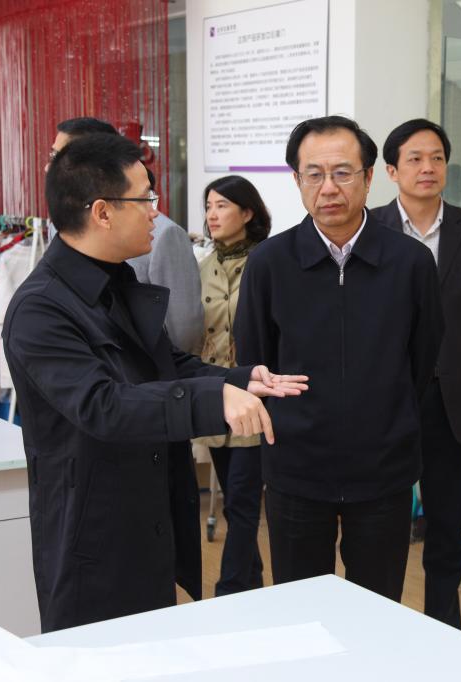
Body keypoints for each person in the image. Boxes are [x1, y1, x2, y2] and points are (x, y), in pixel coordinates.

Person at [2, 133, 307, 632]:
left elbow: (167, 364)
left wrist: (240, 378)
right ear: (103, 212)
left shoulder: (115, 282)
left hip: (146, 515)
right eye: (144, 199)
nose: (155, 212)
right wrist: (215, 399)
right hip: (91, 535)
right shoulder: (42, 309)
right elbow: (104, 405)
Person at [235, 115, 444, 602]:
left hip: (384, 470)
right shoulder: (268, 263)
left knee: (377, 608)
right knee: (299, 607)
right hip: (296, 467)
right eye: (314, 174)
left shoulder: (411, 263)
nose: (328, 187)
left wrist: (386, 414)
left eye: (343, 173)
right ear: (297, 181)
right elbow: (256, 362)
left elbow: (422, 359)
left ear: (369, 178)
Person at [373, 118, 461, 629]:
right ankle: (382, 629)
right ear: (391, 171)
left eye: (438, 158)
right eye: (415, 159)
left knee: (447, 530)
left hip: (451, 399)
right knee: (381, 528)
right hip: (385, 401)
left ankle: (445, 628)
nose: (428, 168)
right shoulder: (369, 227)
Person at [48, 117, 204, 353]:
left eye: (60, 157)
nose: (50, 167)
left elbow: (184, 333)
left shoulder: (163, 235)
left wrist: (164, 369)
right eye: (53, 156)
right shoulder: (59, 228)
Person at [197, 175, 272, 596]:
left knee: (242, 501)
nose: (212, 214)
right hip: (215, 396)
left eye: (222, 205)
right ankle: (254, 586)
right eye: (209, 206)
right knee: (233, 496)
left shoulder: (269, 261)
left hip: (255, 397)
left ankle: (228, 593)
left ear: (247, 212)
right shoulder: (202, 267)